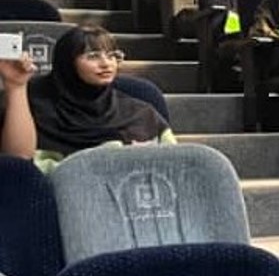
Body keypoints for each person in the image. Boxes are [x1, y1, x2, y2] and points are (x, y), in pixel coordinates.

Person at [25, 26, 174, 169]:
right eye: (93, 56)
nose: (106, 64)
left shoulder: (141, 113)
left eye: (112, 56)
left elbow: (175, 164)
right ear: (67, 63)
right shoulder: (35, 111)